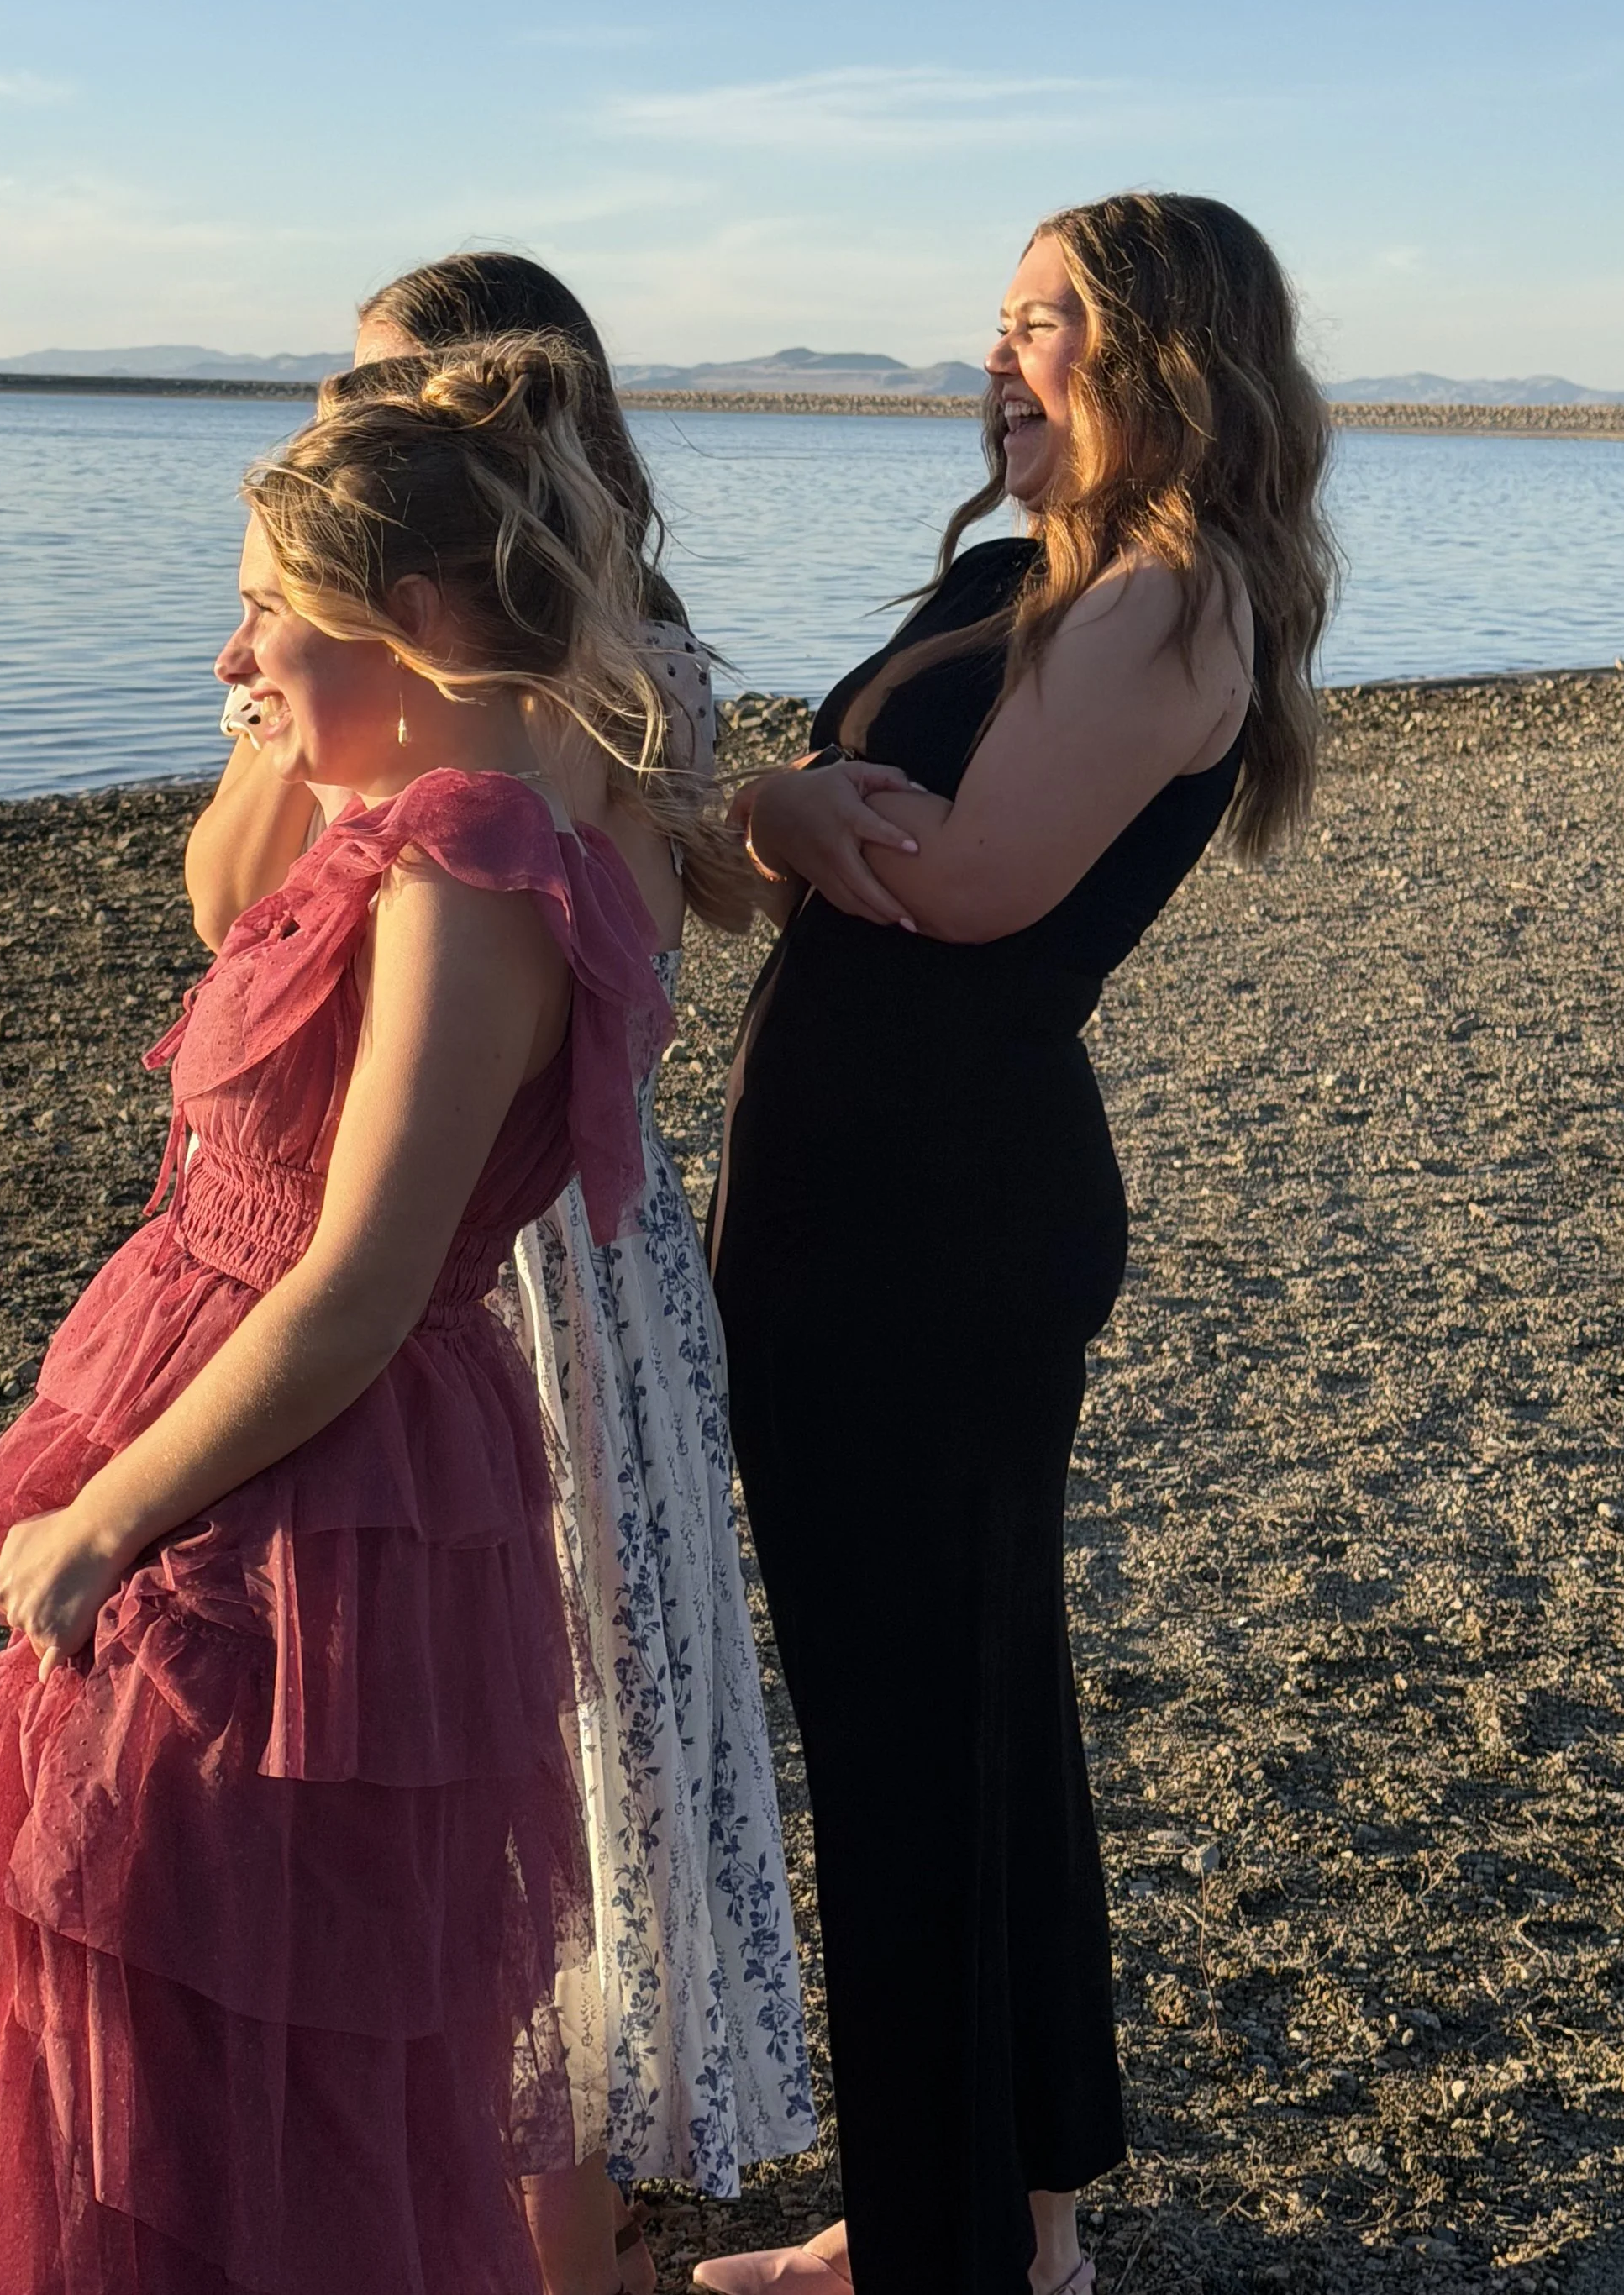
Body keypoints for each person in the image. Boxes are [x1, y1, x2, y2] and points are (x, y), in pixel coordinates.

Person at [0, 338, 700, 2295]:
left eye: (269, 609)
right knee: (243, 2020)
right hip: (304, 1457)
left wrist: (108, 1517)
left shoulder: (466, 865)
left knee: (213, 2019)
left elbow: (357, 1281)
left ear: (415, 618)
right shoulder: (490, 798)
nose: (228, 658)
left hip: (297, 1497)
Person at [696, 194, 1337, 2295]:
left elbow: (955, 884)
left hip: (931, 1225)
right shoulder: (1014, 578)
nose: (1000, 354)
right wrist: (795, 814)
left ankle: (946, 2248)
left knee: (910, 1740)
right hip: (865, 1205)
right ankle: (1012, 2206)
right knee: (968, 1711)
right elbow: (836, 841)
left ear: (1168, 351)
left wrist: (785, 813)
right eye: (992, 318)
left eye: (1042, 318)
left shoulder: (1167, 597)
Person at [187, 254, 817, 2295]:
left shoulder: (620, 660)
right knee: (422, 1711)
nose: (366, 444)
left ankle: (569, 2221)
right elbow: (225, 904)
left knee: (573, 1715)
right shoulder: (340, 654)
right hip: (407, 1205)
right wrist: (292, 713)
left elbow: (605, 936)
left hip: (548, 1250)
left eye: (402, 406)